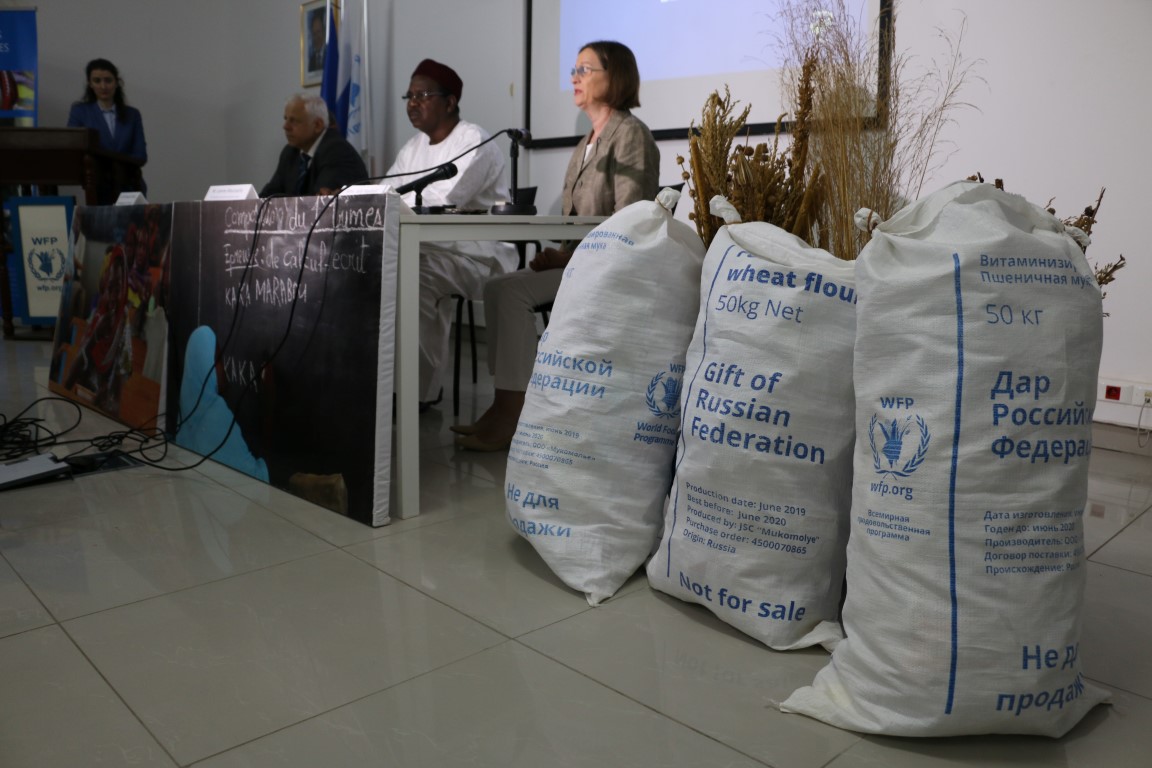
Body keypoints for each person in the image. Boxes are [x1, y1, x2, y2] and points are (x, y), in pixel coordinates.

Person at [453, 40, 659, 451]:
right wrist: (562, 256)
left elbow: (630, 224)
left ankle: (514, 415)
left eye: (585, 69)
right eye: (573, 69)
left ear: (613, 76)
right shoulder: (587, 142)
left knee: (511, 293)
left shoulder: (630, 135)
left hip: (610, 267)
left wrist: (566, 257)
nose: (574, 78)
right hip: (579, 262)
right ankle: (502, 404)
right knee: (496, 286)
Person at [384, 59, 516, 410]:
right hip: (429, 249)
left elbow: (441, 202)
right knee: (386, 271)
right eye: (409, 96)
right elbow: (385, 194)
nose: (413, 103)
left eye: (422, 94)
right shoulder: (412, 148)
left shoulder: (474, 141)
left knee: (415, 276)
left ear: (450, 101)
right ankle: (382, 385)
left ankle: (417, 394)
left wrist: (395, 202)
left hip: (478, 255)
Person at [67, 58, 147, 201]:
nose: (103, 86)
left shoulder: (132, 115)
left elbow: (141, 155)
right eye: (97, 81)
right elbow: (73, 149)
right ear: (90, 84)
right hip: (97, 187)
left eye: (108, 80)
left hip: (129, 186)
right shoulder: (80, 112)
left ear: (117, 82)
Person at [260, 94, 368, 197]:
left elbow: (318, 202)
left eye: (293, 121)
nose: (285, 126)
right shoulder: (290, 152)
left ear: (317, 125)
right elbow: (268, 195)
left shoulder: (336, 151)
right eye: (286, 119)